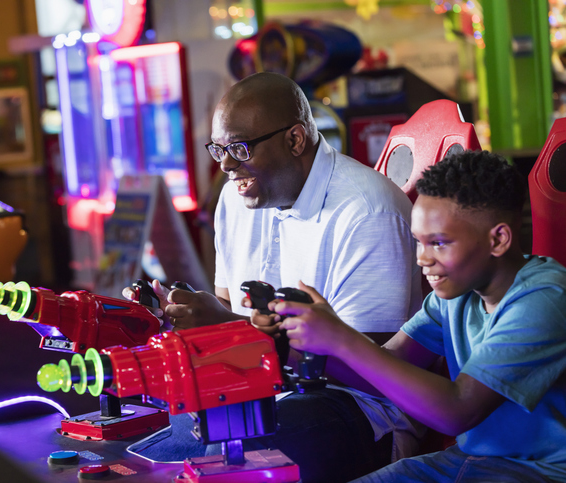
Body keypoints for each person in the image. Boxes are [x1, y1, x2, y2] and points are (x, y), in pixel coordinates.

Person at [125, 72, 423, 482]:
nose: (227, 165)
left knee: (242, 449)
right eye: (219, 149)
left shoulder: (366, 211)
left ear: (295, 139)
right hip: (266, 385)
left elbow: (369, 372)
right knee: (177, 415)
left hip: (356, 406)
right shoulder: (234, 198)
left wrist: (229, 328)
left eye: (241, 148)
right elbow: (229, 308)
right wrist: (176, 314)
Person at [274, 150, 566, 482]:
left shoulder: (545, 298)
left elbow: (458, 411)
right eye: (418, 242)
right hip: (466, 462)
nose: (422, 259)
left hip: (542, 472)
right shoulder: (455, 294)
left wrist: (342, 339)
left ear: (498, 239)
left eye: (439, 243)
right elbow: (387, 369)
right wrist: (295, 349)